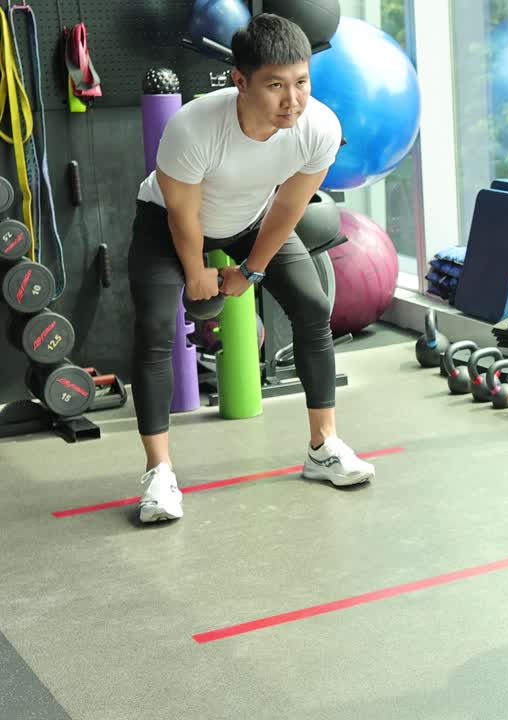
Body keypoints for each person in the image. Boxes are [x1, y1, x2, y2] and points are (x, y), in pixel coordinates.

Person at [129, 13, 375, 524]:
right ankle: (159, 473)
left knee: (312, 306)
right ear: (239, 81)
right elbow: (182, 213)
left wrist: (251, 272)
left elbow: (289, 208)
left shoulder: (320, 127)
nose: (292, 100)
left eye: (302, 82)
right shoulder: (193, 126)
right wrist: (197, 273)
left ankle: (322, 446)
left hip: (254, 219)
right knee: (155, 326)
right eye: (275, 86)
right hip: (168, 223)